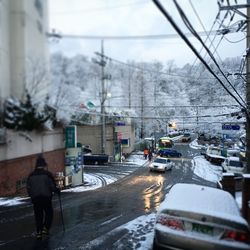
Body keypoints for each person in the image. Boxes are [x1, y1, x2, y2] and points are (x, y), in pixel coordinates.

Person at [26, 154, 60, 239]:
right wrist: (57, 190)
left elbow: (28, 187)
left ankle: (39, 233)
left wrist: (31, 196)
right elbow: (52, 186)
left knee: (38, 216)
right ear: (44, 165)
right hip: (46, 198)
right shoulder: (47, 174)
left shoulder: (31, 175)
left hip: (36, 199)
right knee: (49, 213)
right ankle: (45, 228)